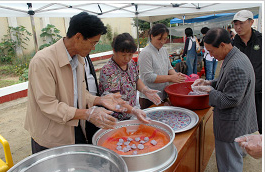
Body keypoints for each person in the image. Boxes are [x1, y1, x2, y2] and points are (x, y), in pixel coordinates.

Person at [24, 12, 127, 154]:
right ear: (78, 37)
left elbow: (79, 91)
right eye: (93, 43)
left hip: (73, 125)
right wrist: (88, 114)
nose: (93, 48)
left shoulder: (78, 58)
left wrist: (99, 99)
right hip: (50, 135)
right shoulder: (43, 61)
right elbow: (48, 105)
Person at [192, 28, 258, 172]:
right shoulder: (234, 57)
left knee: (230, 161)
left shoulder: (236, 65)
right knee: (232, 157)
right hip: (238, 119)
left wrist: (209, 91)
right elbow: (226, 83)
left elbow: (231, 99)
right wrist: (210, 82)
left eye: (211, 51)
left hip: (231, 124)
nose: (211, 55)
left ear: (222, 45)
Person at [99, 33, 161, 121]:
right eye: (123, 55)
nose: (127, 59)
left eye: (130, 55)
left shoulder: (131, 63)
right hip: (115, 117)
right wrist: (133, 111)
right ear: (114, 51)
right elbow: (116, 100)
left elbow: (136, 79)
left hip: (130, 113)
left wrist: (145, 90)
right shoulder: (108, 70)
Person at [138, 23, 186, 109]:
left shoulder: (163, 50)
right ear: (152, 36)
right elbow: (148, 77)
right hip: (149, 97)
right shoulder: (146, 53)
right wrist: (170, 78)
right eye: (159, 39)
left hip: (163, 94)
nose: (162, 42)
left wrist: (176, 75)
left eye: (165, 39)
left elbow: (169, 67)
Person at [232, 10, 262, 134]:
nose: (238, 28)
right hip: (241, 92)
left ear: (251, 22)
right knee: (242, 123)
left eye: (242, 23)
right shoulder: (234, 43)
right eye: (236, 24)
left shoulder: (261, 40)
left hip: (259, 91)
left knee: (261, 121)